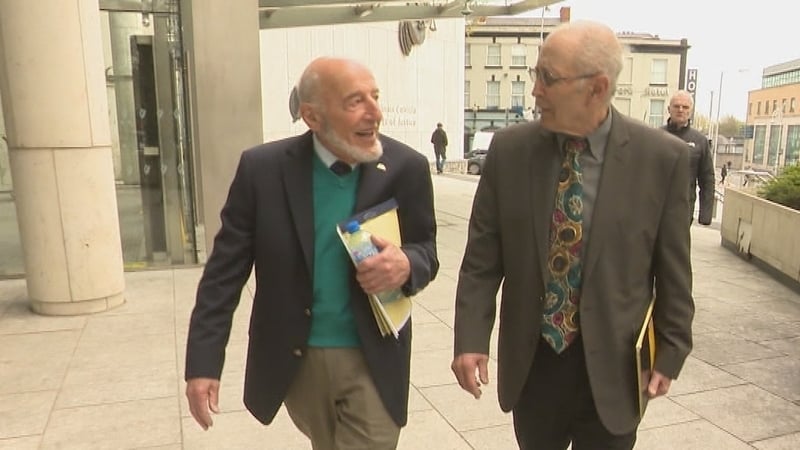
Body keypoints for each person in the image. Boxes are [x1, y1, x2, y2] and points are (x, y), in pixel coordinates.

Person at [451, 21, 694, 450]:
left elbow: (673, 270)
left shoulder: (662, 160)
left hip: (617, 371)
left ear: (596, 88)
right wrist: (471, 338)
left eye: (548, 77)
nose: (535, 91)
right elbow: (482, 261)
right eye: (536, 75)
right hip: (534, 365)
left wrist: (670, 351)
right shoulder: (509, 152)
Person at [185, 57, 439, 449]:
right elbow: (223, 275)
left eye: (375, 96)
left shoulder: (407, 167)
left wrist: (407, 263)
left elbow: (426, 251)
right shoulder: (262, 170)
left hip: (372, 356)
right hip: (297, 359)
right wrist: (202, 364)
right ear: (312, 116)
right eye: (356, 101)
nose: (376, 112)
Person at [663, 90, 716, 225]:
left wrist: (705, 214)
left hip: (684, 209)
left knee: (677, 246)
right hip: (657, 207)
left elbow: (707, 178)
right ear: (669, 109)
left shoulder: (699, 141)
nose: (680, 110)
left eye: (685, 107)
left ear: (690, 111)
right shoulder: (656, 136)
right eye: (676, 106)